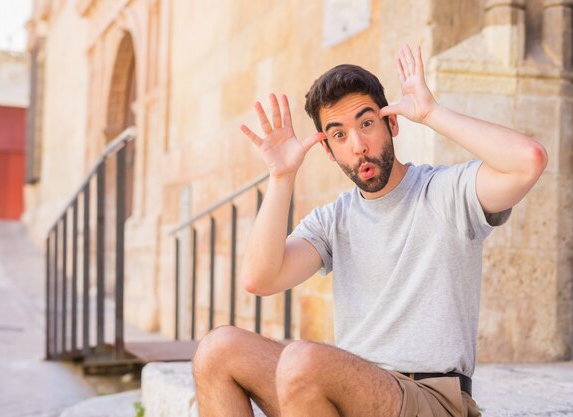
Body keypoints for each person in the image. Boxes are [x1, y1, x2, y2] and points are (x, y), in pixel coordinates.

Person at [191, 44, 547, 417]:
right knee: (218, 350)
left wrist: (431, 113)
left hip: (431, 399)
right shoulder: (334, 220)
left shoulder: (446, 192)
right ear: (329, 151)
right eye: (340, 135)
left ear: (391, 124)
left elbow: (528, 162)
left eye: (366, 124)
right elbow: (259, 279)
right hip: (348, 392)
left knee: (303, 361)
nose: (359, 146)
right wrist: (281, 177)